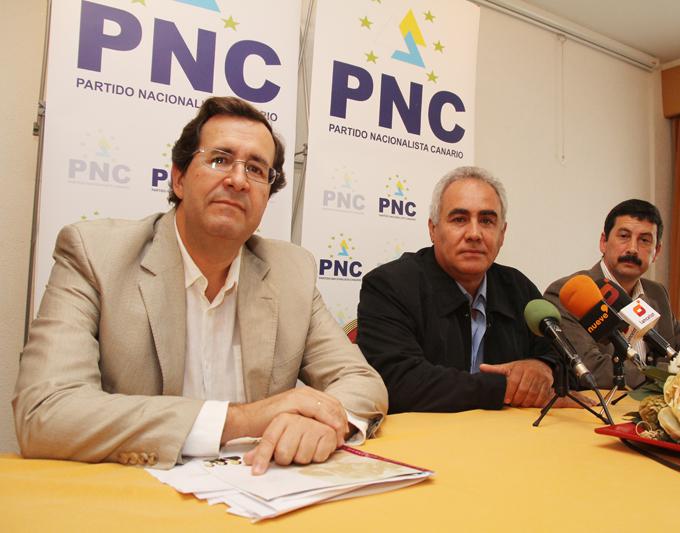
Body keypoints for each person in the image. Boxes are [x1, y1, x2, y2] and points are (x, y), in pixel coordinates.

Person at [13, 97, 387, 474]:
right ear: (178, 178)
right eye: (220, 159)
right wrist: (242, 420)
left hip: (258, 490)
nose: (238, 180)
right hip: (139, 494)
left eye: (256, 169)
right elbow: (45, 412)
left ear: (266, 197)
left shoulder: (292, 271)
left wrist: (322, 419)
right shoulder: (95, 254)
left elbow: (359, 380)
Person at [357, 166, 587, 413]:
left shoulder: (518, 288)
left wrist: (542, 368)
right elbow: (398, 382)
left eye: (487, 221)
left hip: (507, 438)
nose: (475, 234)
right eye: (459, 219)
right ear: (433, 229)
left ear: (502, 234)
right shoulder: (388, 285)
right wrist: (506, 388)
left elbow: (570, 368)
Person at [544, 199, 680, 388]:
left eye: (644, 240)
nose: (632, 248)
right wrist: (671, 376)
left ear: (656, 251)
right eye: (624, 236)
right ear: (603, 242)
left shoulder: (656, 293)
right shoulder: (569, 293)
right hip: (601, 410)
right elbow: (595, 370)